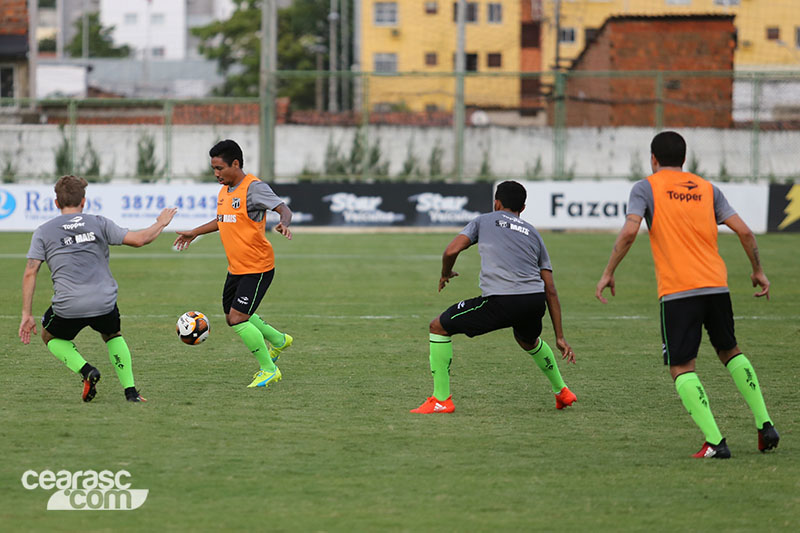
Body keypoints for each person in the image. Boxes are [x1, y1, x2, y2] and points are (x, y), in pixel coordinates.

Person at [595, 131, 779, 458]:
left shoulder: (645, 187)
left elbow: (628, 232)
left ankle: (715, 442)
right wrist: (757, 270)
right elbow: (745, 232)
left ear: (653, 159)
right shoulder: (708, 189)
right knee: (730, 351)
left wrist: (609, 271)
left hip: (678, 291)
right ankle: (765, 424)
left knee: (682, 367)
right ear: (685, 158)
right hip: (716, 285)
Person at [411, 180, 577, 414]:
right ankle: (562, 391)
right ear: (523, 207)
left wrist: (445, 273)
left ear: (496, 203)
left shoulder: (484, 220)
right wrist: (560, 336)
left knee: (438, 326)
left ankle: (441, 400)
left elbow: (450, 250)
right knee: (527, 340)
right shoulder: (533, 233)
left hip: (503, 301)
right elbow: (550, 288)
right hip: (534, 300)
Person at [18, 175, 177, 402]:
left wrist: (26, 314)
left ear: (56, 203)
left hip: (68, 305)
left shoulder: (43, 231)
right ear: (84, 201)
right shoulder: (98, 222)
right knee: (112, 334)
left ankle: (86, 371)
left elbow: (30, 272)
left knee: (49, 335)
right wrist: (161, 222)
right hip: (104, 302)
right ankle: (131, 392)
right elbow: (140, 239)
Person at [174, 139, 293, 389]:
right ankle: (279, 340)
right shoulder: (224, 191)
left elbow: (284, 209)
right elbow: (222, 219)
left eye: (219, 168)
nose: (216, 174)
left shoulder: (254, 188)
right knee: (231, 317)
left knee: (239, 319)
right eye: (213, 169)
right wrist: (195, 232)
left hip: (257, 267)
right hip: (236, 268)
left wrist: (284, 222)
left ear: (235, 164)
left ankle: (269, 369)